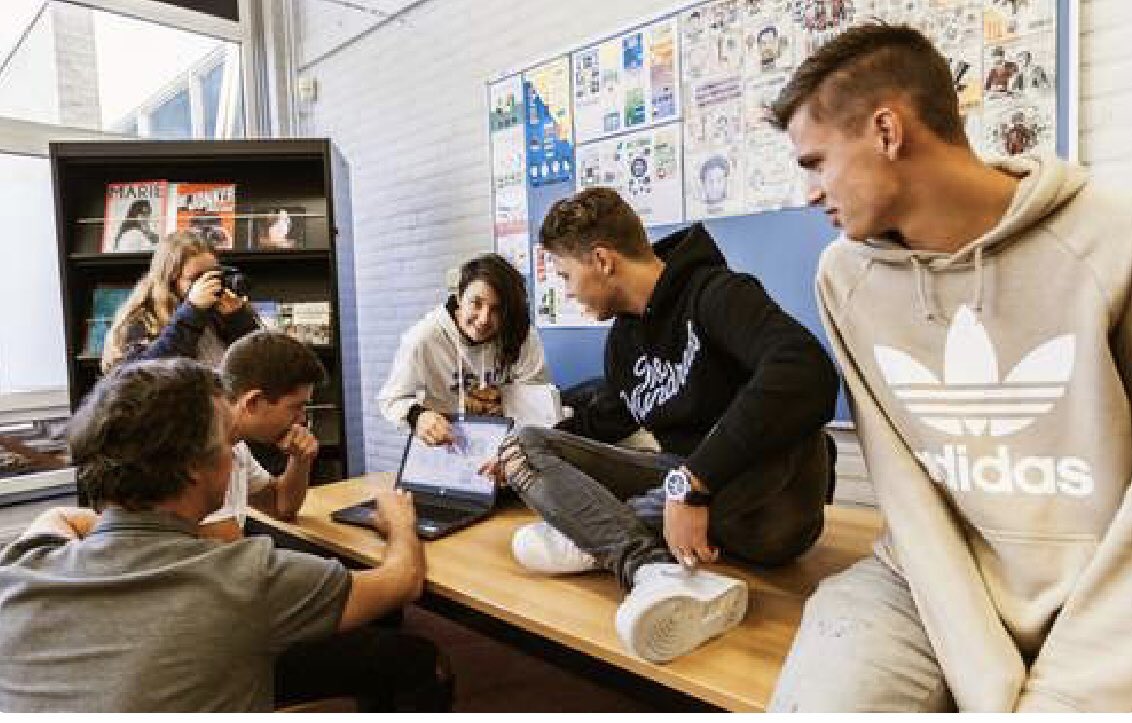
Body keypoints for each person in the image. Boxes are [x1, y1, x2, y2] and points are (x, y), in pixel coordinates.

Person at [767, 23, 1132, 712]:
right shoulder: (843, 277)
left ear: (886, 130)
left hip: (1104, 586)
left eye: (815, 162)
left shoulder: (1112, 236)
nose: (807, 193)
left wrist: (1058, 688)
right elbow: (905, 492)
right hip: (924, 577)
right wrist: (986, 677)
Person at [492, 187, 839, 664]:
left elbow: (807, 371)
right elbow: (602, 422)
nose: (568, 292)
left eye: (567, 276)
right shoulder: (622, 343)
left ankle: (600, 536)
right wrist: (510, 466)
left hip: (769, 510)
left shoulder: (717, 292)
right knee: (522, 447)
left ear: (603, 260)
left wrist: (694, 485)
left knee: (790, 424)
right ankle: (650, 570)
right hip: (686, 501)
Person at [0, 358, 451, 712]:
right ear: (194, 469)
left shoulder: (22, 569)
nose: (235, 457)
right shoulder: (245, 579)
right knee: (416, 659)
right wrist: (400, 523)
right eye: (225, 444)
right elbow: (402, 581)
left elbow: (57, 518)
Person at [378, 252, 549, 447]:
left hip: (507, 445)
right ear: (459, 296)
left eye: (496, 309)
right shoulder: (423, 338)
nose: (484, 319)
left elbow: (536, 397)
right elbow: (391, 400)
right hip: (445, 448)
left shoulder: (520, 334)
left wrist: (509, 405)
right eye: (476, 303)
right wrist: (418, 416)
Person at [198, 330, 325, 541]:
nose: (302, 419)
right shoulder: (200, 447)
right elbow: (231, 555)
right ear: (253, 402)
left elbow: (280, 505)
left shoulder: (236, 443)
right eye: (296, 407)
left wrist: (300, 458)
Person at [101, 230, 258, 372]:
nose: (209, 283)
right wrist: (192, 312)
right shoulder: (141, 319)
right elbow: (141, 375)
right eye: (196, 277)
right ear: (170, 280)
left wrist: (238, 320)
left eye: (214, 274)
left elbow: (259, 363)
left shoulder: (219, 310)